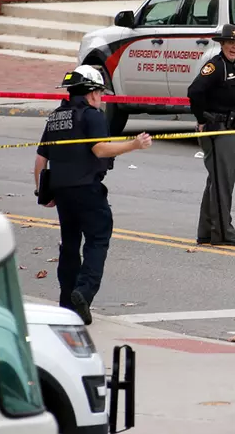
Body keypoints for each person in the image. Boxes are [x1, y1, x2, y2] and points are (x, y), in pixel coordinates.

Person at [33, 65, 152, 324]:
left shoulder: (55, 117)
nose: (101, 97)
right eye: (100, 92)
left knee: (70, 245)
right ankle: (83, 293)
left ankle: (67, 302)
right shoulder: (93, 116)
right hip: (87, 189)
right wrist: (134, 144)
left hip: (62, 193)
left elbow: (41, 159)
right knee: (98, 239)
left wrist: (42, 193)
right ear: (91, 92)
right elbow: (100, 150)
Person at [187, 24, 235, 247]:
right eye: (230, 42)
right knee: (222, 184)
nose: (234, 46)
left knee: (215, 182)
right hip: (219, 131)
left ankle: (206, 231)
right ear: (222, 44)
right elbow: (194, 91)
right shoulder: (216, 67)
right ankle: (223, 233)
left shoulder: (231, 65)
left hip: (230, 130)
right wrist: (203, 120)